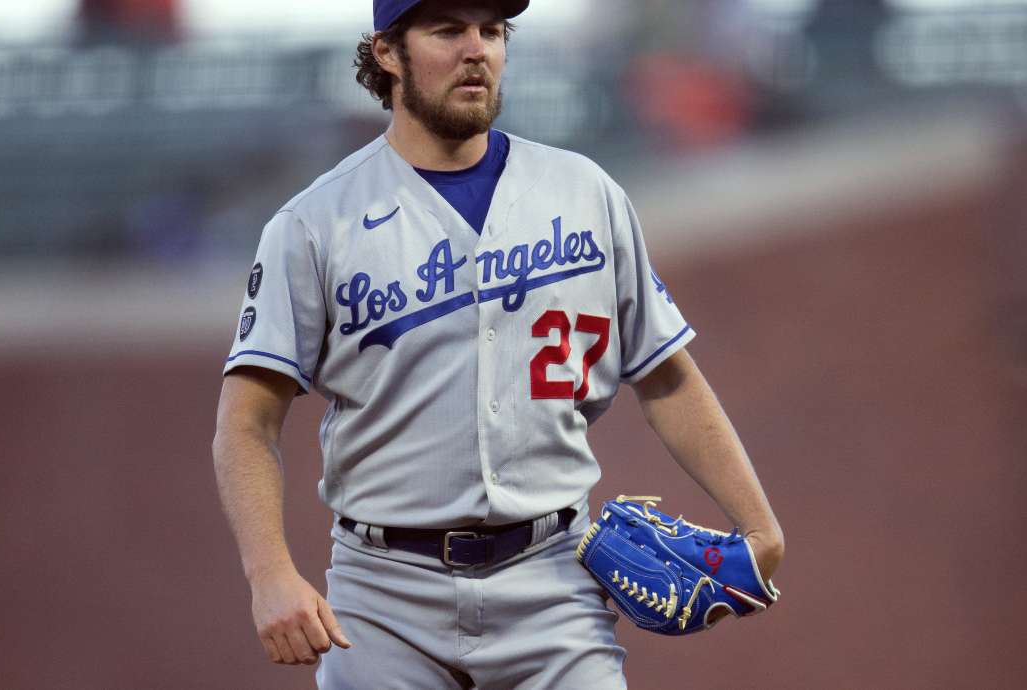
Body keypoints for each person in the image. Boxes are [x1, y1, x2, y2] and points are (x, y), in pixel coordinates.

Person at [211, 1, 784, 688]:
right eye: (448, 29)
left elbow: (667, 376)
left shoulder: (584, 193)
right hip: (382, 596)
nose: (476, 49)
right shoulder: (312, 223)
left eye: (492, 30)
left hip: (554, 584)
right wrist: (268, 572)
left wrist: (760, 527)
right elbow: (246, 422)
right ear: (387, 52)